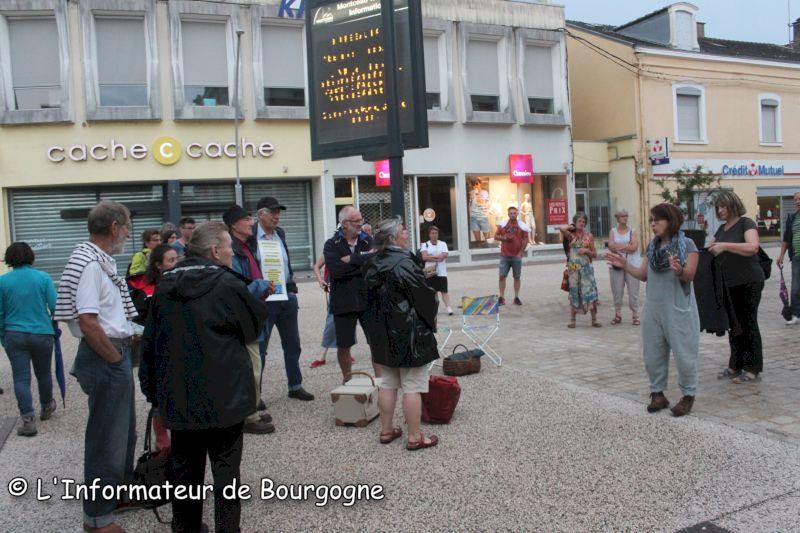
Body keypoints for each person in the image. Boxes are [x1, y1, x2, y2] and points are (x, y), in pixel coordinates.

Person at [140, 221, 268, 533]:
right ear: (214, 250)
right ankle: (228, 528)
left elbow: (151, 341)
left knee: (186, 472)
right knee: (226, 470)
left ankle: (187, 527)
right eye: (228, 247)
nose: (231, 252)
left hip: (181, 395)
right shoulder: (228, 284)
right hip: (226, 393)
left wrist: (153, 392)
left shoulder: (166, 286)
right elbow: (253, 328)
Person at [54, 200, 138, 532]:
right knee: (107, 438)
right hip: (106, 356)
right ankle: (98, 517)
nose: (128, 234)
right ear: (115, 227)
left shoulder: (94, 260)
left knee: (121, 433)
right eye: (127, 226)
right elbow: (88, 323)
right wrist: (115, 359)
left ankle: (113, 495)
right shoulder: (91, 265)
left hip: (111, 353)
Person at [607, 203, 700, 417]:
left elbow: (690, 275)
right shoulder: (653, 246)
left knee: (685, 353)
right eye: (651, 220)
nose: (653, 224)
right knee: (652, 353)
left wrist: (679, 270)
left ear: (671, 221)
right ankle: (657, 393)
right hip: (654, 308)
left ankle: (688, 395)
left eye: (657, 220)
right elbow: (642, 274)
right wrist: (624, 264)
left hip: (678, 309)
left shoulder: (688, 244)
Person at [364, 218, 439, 451]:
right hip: (408, 331)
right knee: (412, 385)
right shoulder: (404, 262)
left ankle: (386, 430)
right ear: (393, 238)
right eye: (404, 231)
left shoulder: (372, 261)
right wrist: (431, 321)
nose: (407, 234)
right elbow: (424, 297)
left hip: (382, 332)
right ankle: (415, 436)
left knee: (387, 382)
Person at [254, 196, 314, 401]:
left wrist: (291, 289)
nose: (277, 216)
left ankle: (295, 385)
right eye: (273, 212)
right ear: (260, 214)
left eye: (278, 212)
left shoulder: (280, 233)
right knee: (260, 348)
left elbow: (285, 263)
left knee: (293, 344)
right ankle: (256, 394)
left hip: (285, 296)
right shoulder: (251, 236)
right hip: (264, 299)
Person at [225, 205, 277, 434]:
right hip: (244, 316)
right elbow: (238, 285)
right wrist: (262, 285)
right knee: (251, 367)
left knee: (254, 365)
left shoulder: (246, 247)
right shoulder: (233, 252)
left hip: (254, 311)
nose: (251, 223)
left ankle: (252, 408)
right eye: (246, 220)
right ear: (234, 225)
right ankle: (249, 416)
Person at [0, 242, 57, 437]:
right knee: (44, 374)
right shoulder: (43, 277)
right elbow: (55, 305)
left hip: (14, 334)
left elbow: (0, 313)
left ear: (9, 258)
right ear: (31, 256)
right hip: (42, 333)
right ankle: (47, 406)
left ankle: (28, 420)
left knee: (21, 378)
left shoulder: (2, 281)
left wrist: (3, 336)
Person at [708, 191, 765, 384]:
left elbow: (753, 247)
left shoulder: (746, 223)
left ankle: (753, 367)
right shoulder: (722, 229)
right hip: (729, 283)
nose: (720, 210)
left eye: (723, 206)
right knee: (734, 325)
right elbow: (715, 249)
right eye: (718, 207)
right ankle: (735, 364)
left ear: (733, 205)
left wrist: (724, 245)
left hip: (749, 281)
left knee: (748, 323)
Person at [127, 244, 178, 452]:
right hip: (157, 349)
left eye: (178, 259)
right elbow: (137, 320)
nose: (176, 264)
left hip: (178, 347)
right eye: (171, 260)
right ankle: (161, 437)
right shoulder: (145, 289)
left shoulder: (182, 283)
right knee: (160, 395)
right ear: (158, 265)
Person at [324, 205, 379, 380]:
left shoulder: (368, 240)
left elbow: (376, 263)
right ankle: (347, 379)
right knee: (344, 345)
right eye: (357, 221)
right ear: (345, 223)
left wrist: (353, 259)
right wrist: (364, 261)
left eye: (361, 220)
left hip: (368, 300)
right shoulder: (332, 244)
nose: (360, 224)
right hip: (343, 302)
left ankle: (380, 382)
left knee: (376, 342)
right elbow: (336, 270)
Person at [310, 252, 356, 369]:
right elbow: (316, 266)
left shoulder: (353, 248)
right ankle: (322, 355)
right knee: (331, 320)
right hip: (333, 287)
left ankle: (345, 353)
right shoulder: (331, 249)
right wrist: (320, 280)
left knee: (349, 319)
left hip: (350, 288)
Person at [559, 212, 600, 328]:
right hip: (573, 268)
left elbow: (595, 254)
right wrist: (570, 226)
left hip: (586, 267)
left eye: (583, 221)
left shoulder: (589, 236)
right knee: (574, 291)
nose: (582, 223)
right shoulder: (570, 235)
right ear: (575, 222)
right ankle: (572, 320)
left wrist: (586, 251)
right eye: (579, 221)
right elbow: (561, 228)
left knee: (590, 292)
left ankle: (594, 319)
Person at [607, 208, 641, 325]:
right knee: (617, 290)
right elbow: (611, 246)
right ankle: (617, 314)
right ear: (617, 218)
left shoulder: (633, 231)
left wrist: (619, 246)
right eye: (622, 216)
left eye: (626, 216)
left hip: (632, 264)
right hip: (616, 264)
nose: (625, 218)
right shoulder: (613, 231)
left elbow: (634, 248)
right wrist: (627, 245)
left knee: (633, 290)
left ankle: (635, 314)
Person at [495, 206, 529, 306]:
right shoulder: (503, 225)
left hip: (516, 256)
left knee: (517, 277)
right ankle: (501, 297)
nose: (513, 215)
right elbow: (496, 236)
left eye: (515, 213)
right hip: (505, 255)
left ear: (517, 213)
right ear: (508, 214)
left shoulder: (522, 225)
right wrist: (504, 238)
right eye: (511, 213)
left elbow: (526, 239)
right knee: (502, 276)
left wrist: (520, 253)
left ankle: (516, 297)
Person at [777, 191, 800, 325]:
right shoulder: (792, 218)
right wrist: (781, 256)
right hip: (797, 257)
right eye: (795, 199)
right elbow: (786, 239)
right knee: (796, 287)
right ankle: (796, 314)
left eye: (799, 199)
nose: (797, 201)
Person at [420, 226, 453, 315]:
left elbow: (445, 255)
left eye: (436, 233)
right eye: (432, 233)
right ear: (429, 235)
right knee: (431, 292)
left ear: (438, 234)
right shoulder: (425, 244)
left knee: (444, 291)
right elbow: (424, 257)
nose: (434, 235)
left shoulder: (443, 244)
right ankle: (433, 309)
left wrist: (430, 257)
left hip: (441, 272)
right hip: (430, 272)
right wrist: (437, 258)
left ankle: (449, 308)